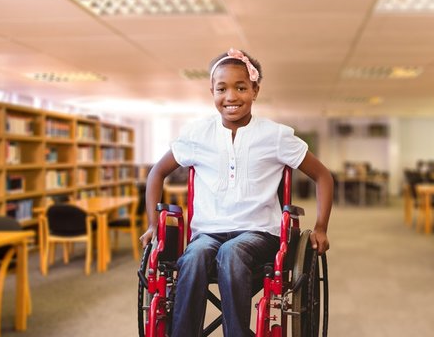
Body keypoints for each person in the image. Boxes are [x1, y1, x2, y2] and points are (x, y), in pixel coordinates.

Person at [139, 48, 334, 337]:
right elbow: (156, 173)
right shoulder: (196, 135)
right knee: (192, 257)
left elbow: (323, 175)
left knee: (232, 252)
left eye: (240, 88)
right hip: (207, 233)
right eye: (222, 89)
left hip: (259, 234)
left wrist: (320, 227)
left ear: (255, 90)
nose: (231, 97)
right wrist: (154, 225)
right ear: (212, 91)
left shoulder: (275, 136)